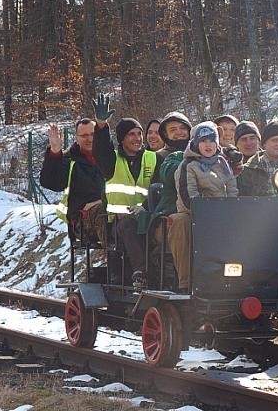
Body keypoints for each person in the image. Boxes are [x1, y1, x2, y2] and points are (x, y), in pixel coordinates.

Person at [91, 94, 162, 284]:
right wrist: (101, 126)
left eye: (139, 134)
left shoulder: (153, 158)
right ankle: (142, 273)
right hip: (118, 224)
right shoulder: (112, 160)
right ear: (122, 139)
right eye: (131, 134)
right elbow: (101, 150)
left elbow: (160, 188)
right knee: (128, 225)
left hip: (148, 217)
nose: (137, 138)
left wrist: (146, 209)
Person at [169, 122, 238, 292]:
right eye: (203, 141)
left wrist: (229, 212)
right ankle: (186, 282)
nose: (208, 145)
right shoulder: (188, 166)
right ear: (195, 143)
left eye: (212, 141)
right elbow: (188, 197)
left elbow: (232, 190)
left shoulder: (224, 164)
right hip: (196, 215)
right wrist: (208, 214)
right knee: (181, 221)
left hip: (223, 213)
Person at [39, 119, 106, 244]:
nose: (89, 139)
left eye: (92, 134)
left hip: (112, 214)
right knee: (105, 214)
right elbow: (49, 182)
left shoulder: (109, 158)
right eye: (84, 136)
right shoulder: (69, 161)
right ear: (76, 138)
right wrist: (54, 152)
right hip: (82, 222)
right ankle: (116, 261)